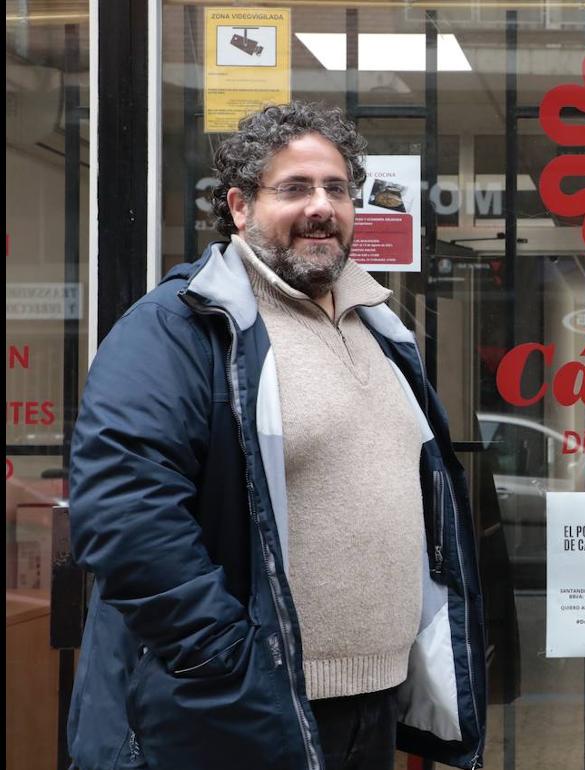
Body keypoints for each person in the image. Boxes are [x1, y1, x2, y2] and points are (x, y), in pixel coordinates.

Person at [67, 102, 486, 770]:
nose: (322, 206)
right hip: (240, 710)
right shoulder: (181, 327)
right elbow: (122, 515)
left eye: (338, 189)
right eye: (294, 188)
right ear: (239, 207)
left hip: (369, 706)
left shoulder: (379, 328)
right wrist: (228, 664)